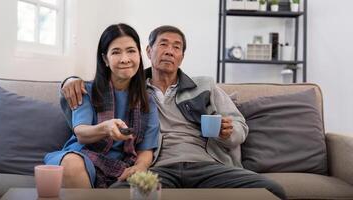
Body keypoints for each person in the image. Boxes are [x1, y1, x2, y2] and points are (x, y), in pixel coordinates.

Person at [61, 25, 286, 199]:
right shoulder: (137, 91)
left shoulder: (205, 86)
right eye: (163, 44)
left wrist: (228, 132)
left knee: (272, 190)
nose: (169, 51)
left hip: (207, 164)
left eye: (176, 47)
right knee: (117, 194)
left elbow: (239, 126)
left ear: (182, 56)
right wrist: (70, 80)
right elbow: (99, 86)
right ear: (148, 51)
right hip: (160, 168)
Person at [44, 23, 160, 188]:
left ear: (139, 55)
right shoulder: (86, 90)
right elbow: (81, 133)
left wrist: (140, 167)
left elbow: (146, 149)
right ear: (105, 59)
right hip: (83, 156)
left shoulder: (148, 100)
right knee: (72, 164)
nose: (125, 59)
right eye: (116, 52)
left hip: (123, 163)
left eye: (131, 51)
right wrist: (106, 128)